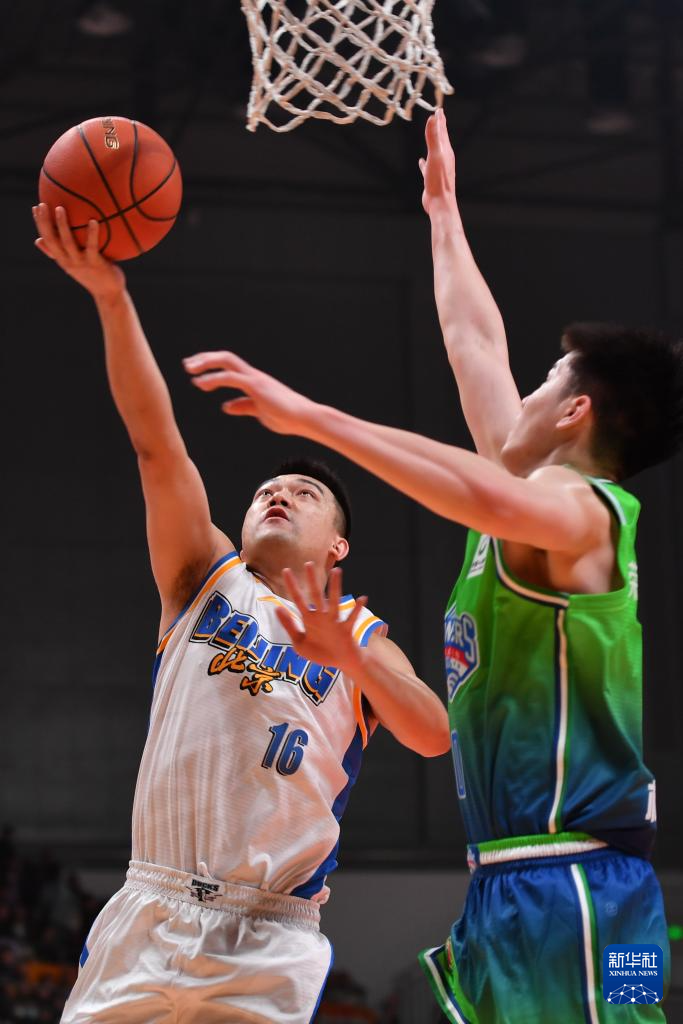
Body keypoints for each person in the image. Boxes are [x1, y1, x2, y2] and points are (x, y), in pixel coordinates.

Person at [182, 108, 681, 1023]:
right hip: (517, 882)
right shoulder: (527, 498)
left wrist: (311, 417)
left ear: (574, 414)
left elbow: (475, 492)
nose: (520, 390)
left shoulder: (583, 512)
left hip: (575, 888)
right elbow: (473, 343)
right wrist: (443, 215)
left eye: (544, 381)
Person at [32, 202, 450, 1024]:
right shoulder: (203, 576)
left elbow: (434, 735)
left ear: (338, 546)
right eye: (267, 489)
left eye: (305, 493)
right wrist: (112, 299)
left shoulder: (359, 635)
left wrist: (351, 657)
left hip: (269, 931)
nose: (278, 494)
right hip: (149, 906)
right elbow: (156, 444)